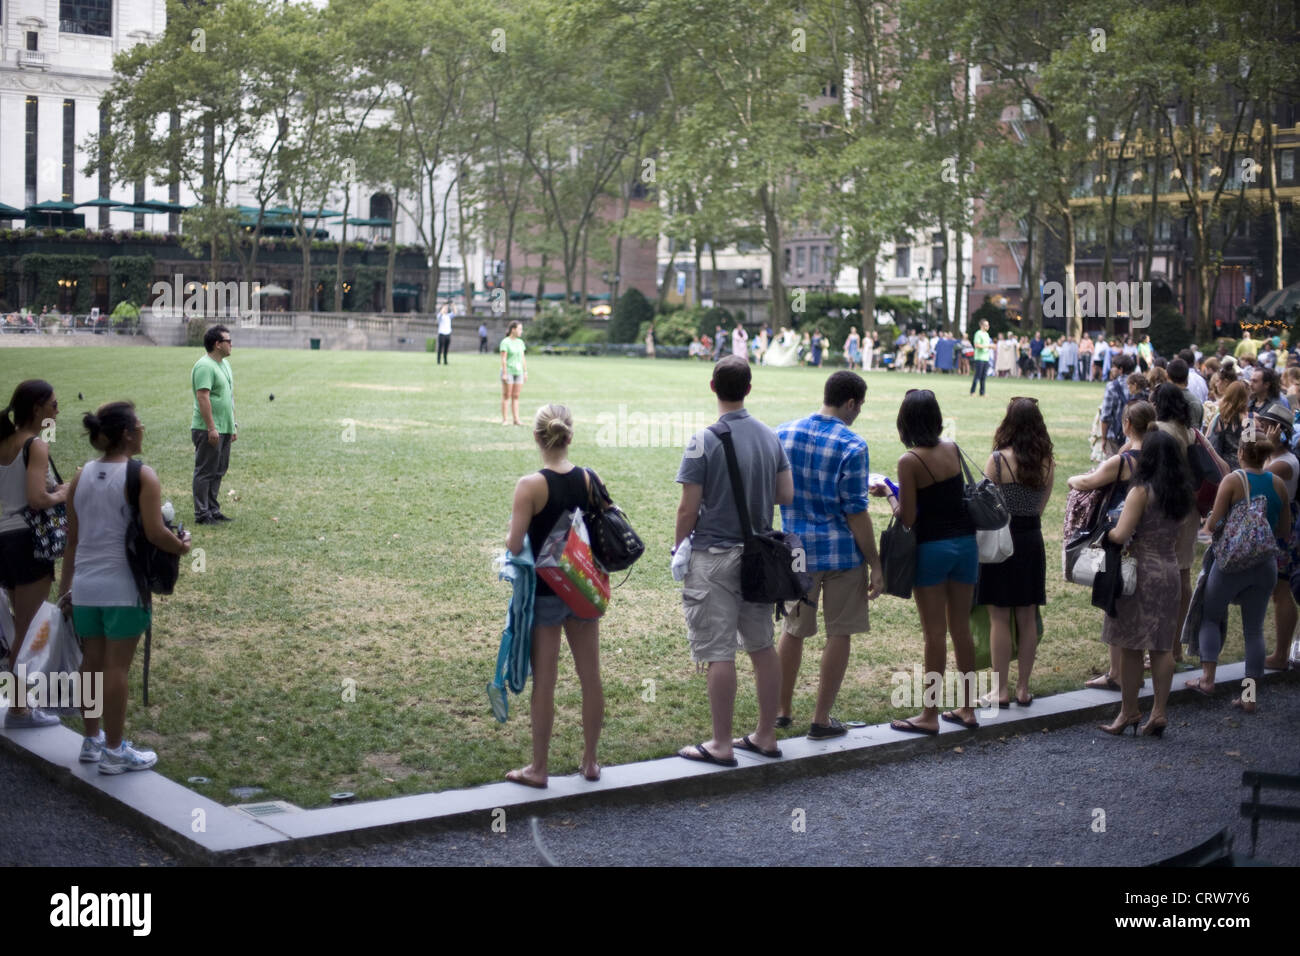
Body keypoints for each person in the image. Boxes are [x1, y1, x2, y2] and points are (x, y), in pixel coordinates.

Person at [57, 402, 192, 771]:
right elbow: (154, 533)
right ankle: (114, 752)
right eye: (139, 424)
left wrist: (64, 589)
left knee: (91, 663)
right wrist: (181, 545)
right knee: (116, 669)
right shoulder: (142, 475)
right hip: (123, 589)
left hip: (85, 588)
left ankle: (92, 740)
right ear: (128, 434)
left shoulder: (80, 475)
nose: (144, 427)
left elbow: (72, 540)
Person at [675, 356, 792, 765]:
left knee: (718, 652)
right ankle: (765, 736)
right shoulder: (769, 436)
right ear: (749, 388)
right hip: (758, 557)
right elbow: (785, 495)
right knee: (762, 646)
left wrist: (678, 547)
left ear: (712, 386)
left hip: (713, 556)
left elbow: (687, 509)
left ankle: (721, 744)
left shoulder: (702, 440)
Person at [774, 372, 883, 738]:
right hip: (841, 554)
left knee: (793, 629)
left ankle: (781, 709)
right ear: (851, 403)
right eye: (860, 406)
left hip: (797, 551)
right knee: (840, 632)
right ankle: (821, 719)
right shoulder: (853, 445)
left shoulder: (783, 433)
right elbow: (856, 511)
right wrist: (875, 562)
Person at [502, 404, 604, 787]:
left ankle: (539, 768)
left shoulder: (529, 486)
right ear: (570, 436)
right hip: (582, 588)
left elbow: (514, 546)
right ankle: (591, 762)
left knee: (545, 680)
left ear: (536, 438)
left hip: (545, 591)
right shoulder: (589, 478)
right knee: (590, 677)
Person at [871, 390, 980, 733]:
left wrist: (888, 493)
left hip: (932, 549)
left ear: (905, 421)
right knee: (961, 629)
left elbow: (907, 518)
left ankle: (929, 715)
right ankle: (967, 707)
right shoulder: (951, 447)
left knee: (934, 634)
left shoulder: (909, 461)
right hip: (966, 545)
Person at [1097, 430, 1194, 737]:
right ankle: (1159, 712)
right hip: (1169, 570)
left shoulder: (1141, 492)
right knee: (1162, 646)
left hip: (1141, 571)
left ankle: (1128, 711)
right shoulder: (1180, 494)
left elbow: (1121, 534)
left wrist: (1107, 531)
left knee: (1130, 645)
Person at [1190, 436, 1290, 712]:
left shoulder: (1233, 481)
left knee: (1211, 616)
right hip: (1264, 565)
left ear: (1242, 453)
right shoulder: (1277, 483)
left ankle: (1208, 679)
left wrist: (1218, 520)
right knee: (1254, 630)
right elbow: (1284, 530)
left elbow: (1214, 523)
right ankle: (1249, 696)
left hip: (1231, 563)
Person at [1069, 400, 1157, 691]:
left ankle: (1117, 673)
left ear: (1127, 424)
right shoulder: (1162, 458)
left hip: (1121, 537)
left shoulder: (1124, 461)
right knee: (1139, 606)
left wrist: (1071, 478)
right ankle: (1133, 670)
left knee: (1115, 602)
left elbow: (1089, 482)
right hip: (1153, 538)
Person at [976, 398, 1054, 707]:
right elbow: (1041, 507)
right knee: (1026, 616)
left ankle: (1000, 690)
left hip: (1001, 542)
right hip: (1031, 539)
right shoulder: (1046, 461)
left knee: (998, 618)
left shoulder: (997, 460)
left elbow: (985, 506)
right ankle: (1023, 688)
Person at [0, 381, 68, 728]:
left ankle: (19, 704)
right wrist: (65, 492)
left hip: (4, 541)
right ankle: (19, 709)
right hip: (28, 543)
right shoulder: (35, 445)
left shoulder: (5, 442)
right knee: (27, 630)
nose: (58, 410)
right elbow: (37, 499)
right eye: (54, 405)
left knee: (17, 625)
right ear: (38, 408)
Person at [1153, 383, 1200, 665]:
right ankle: (1176, 646)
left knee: (1161, 580)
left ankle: (1162, 648)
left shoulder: (1158, 430)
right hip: (1189, 505)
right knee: (1183, 576)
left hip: (1165, 506)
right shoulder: (1190, 430)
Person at [1257, 403, 1299, 670]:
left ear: (1277, 430)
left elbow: (1254, 477)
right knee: (1278, 591)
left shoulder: (1284, 463)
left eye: (1264, 425)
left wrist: (1267, 448)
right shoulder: (1279, 459)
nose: (1258, 429)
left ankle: (1281, 654)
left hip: (1285, 530)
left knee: (1281, 591)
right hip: (1282, 527)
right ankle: (1281, 652)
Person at [190, 325, 237, 525]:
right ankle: (202, 513)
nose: (231, 344)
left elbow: (229, 397)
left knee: (219, 470)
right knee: (205, 471)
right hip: (207, 428)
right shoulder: (204, 366)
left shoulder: (225, 365)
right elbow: (203, 397)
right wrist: (211, 427)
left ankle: (212, 509)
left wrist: (232, 425)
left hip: (224, 427)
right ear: (217, 344)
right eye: (228, 341)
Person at [1100, 354, 1137, 457]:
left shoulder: (1111, 386)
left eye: (1113, 367)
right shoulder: (1139, 384)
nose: (1111, 369)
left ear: (1120, 369)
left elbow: (1106, 416)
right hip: (1136, 436)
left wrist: (1103, 438)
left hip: (1115, 435)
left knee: (1114, 469)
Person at [1207, 380, 1249, 471]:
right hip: (1242, 468)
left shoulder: (1221, 418)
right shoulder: (1249, 420)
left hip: (1222, 467)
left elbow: (1212, 443)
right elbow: (1250, 447)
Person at [499, 321, 527, 426]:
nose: (521, 331)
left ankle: (516, 419)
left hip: (518, 372)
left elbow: (523, 358)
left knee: (516, 396)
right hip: (509, 371)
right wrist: (505, 373)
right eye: (520, 329)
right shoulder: (505, 342)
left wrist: (525, 372)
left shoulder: (520, 342)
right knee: (507, 395)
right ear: (513, 329)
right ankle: (505, 419)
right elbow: (503, 359)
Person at [970, 318, 992, 396]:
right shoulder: (978, 333)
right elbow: (976, 345)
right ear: (982, 325)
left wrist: (989, 347)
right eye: (986, 325)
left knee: (983, 377)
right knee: (977, 376)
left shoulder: (987, 334)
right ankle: (972, 391)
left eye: (988, 325)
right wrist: (988, 346)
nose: (988, 326)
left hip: (986, 358)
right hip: (979, 358)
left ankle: (982, 393)